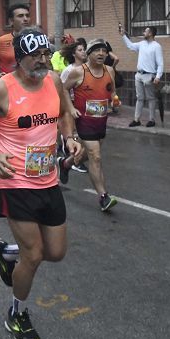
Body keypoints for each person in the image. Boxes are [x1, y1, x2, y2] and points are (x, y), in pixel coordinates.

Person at [0, 27, 84, 339]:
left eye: (46, 54)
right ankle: (17, 312)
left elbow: (65, 113)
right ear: (19, 59)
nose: (43, 61)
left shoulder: (53, 80)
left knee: (56, 252)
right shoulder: (1, 89)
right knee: (35, 255)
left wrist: (70, 137)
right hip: (16, 181)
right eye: (36, 56)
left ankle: (7, 253)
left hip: (48, 180)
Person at [61, 38, 117, 211]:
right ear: (89, 53)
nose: (101, 54)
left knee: (87, 154)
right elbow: (63, 89)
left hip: (101, 119)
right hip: (84, 119)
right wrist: (70, 108)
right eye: (97, 50)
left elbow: (111, 89)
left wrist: (112, 101)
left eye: (104, 51)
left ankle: (65, 164)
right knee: (96, 156)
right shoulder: (78, 72)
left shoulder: (109, 70)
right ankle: (103, 196)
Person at [117, 22, 163, 127]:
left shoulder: (157, 46)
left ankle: (152, 120)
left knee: (151, 98)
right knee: (140, 98)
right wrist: (123, 35)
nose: (143, 33)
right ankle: (136, 119)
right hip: (139, 75)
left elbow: (160, 64)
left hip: (149, 75)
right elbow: (130, 46)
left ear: (150, 33)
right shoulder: (142, 44)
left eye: (145, 31)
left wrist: (158, 76)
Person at [0, 3, 32, 81]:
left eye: (27, 15)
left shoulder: (37, 40)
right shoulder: (0, 41)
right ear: (11, 21)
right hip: (9, 88)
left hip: (33, 87)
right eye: (20, 16)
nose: (25, 19)